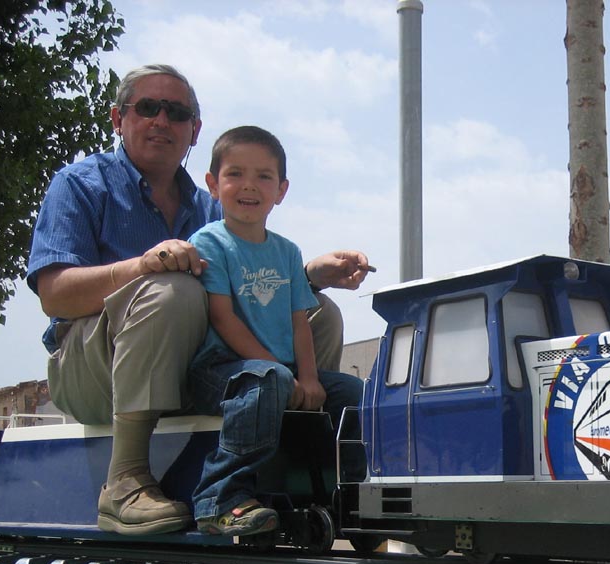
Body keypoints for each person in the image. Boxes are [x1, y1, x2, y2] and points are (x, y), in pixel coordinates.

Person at [26, 64, 372, 536]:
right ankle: (125, 478)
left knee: (321, 312)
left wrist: (310, 275)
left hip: (192, 365)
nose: (162, 121)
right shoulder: (80, 185)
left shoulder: (213, 205)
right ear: (117, 119)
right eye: (147, 108)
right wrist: (143, 266)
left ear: (195, 130)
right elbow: (54, 295)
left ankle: (300, 463)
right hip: (93, 368)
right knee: (174, 290)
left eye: (178, 112)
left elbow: (253, 282)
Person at [187, 125, 363, 536]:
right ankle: (221, 497)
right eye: (235, 174)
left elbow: (299, 319)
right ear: (213, 184)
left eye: (263, 176)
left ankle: (350, 494)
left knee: (352, 393)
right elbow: (222, 317)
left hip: (279, 370)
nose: (249, 186)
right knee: (269, 379)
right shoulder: (210, 242)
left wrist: (309, 377)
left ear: (281, 190)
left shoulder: (287, 251)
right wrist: (280, 372)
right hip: (219, 370)